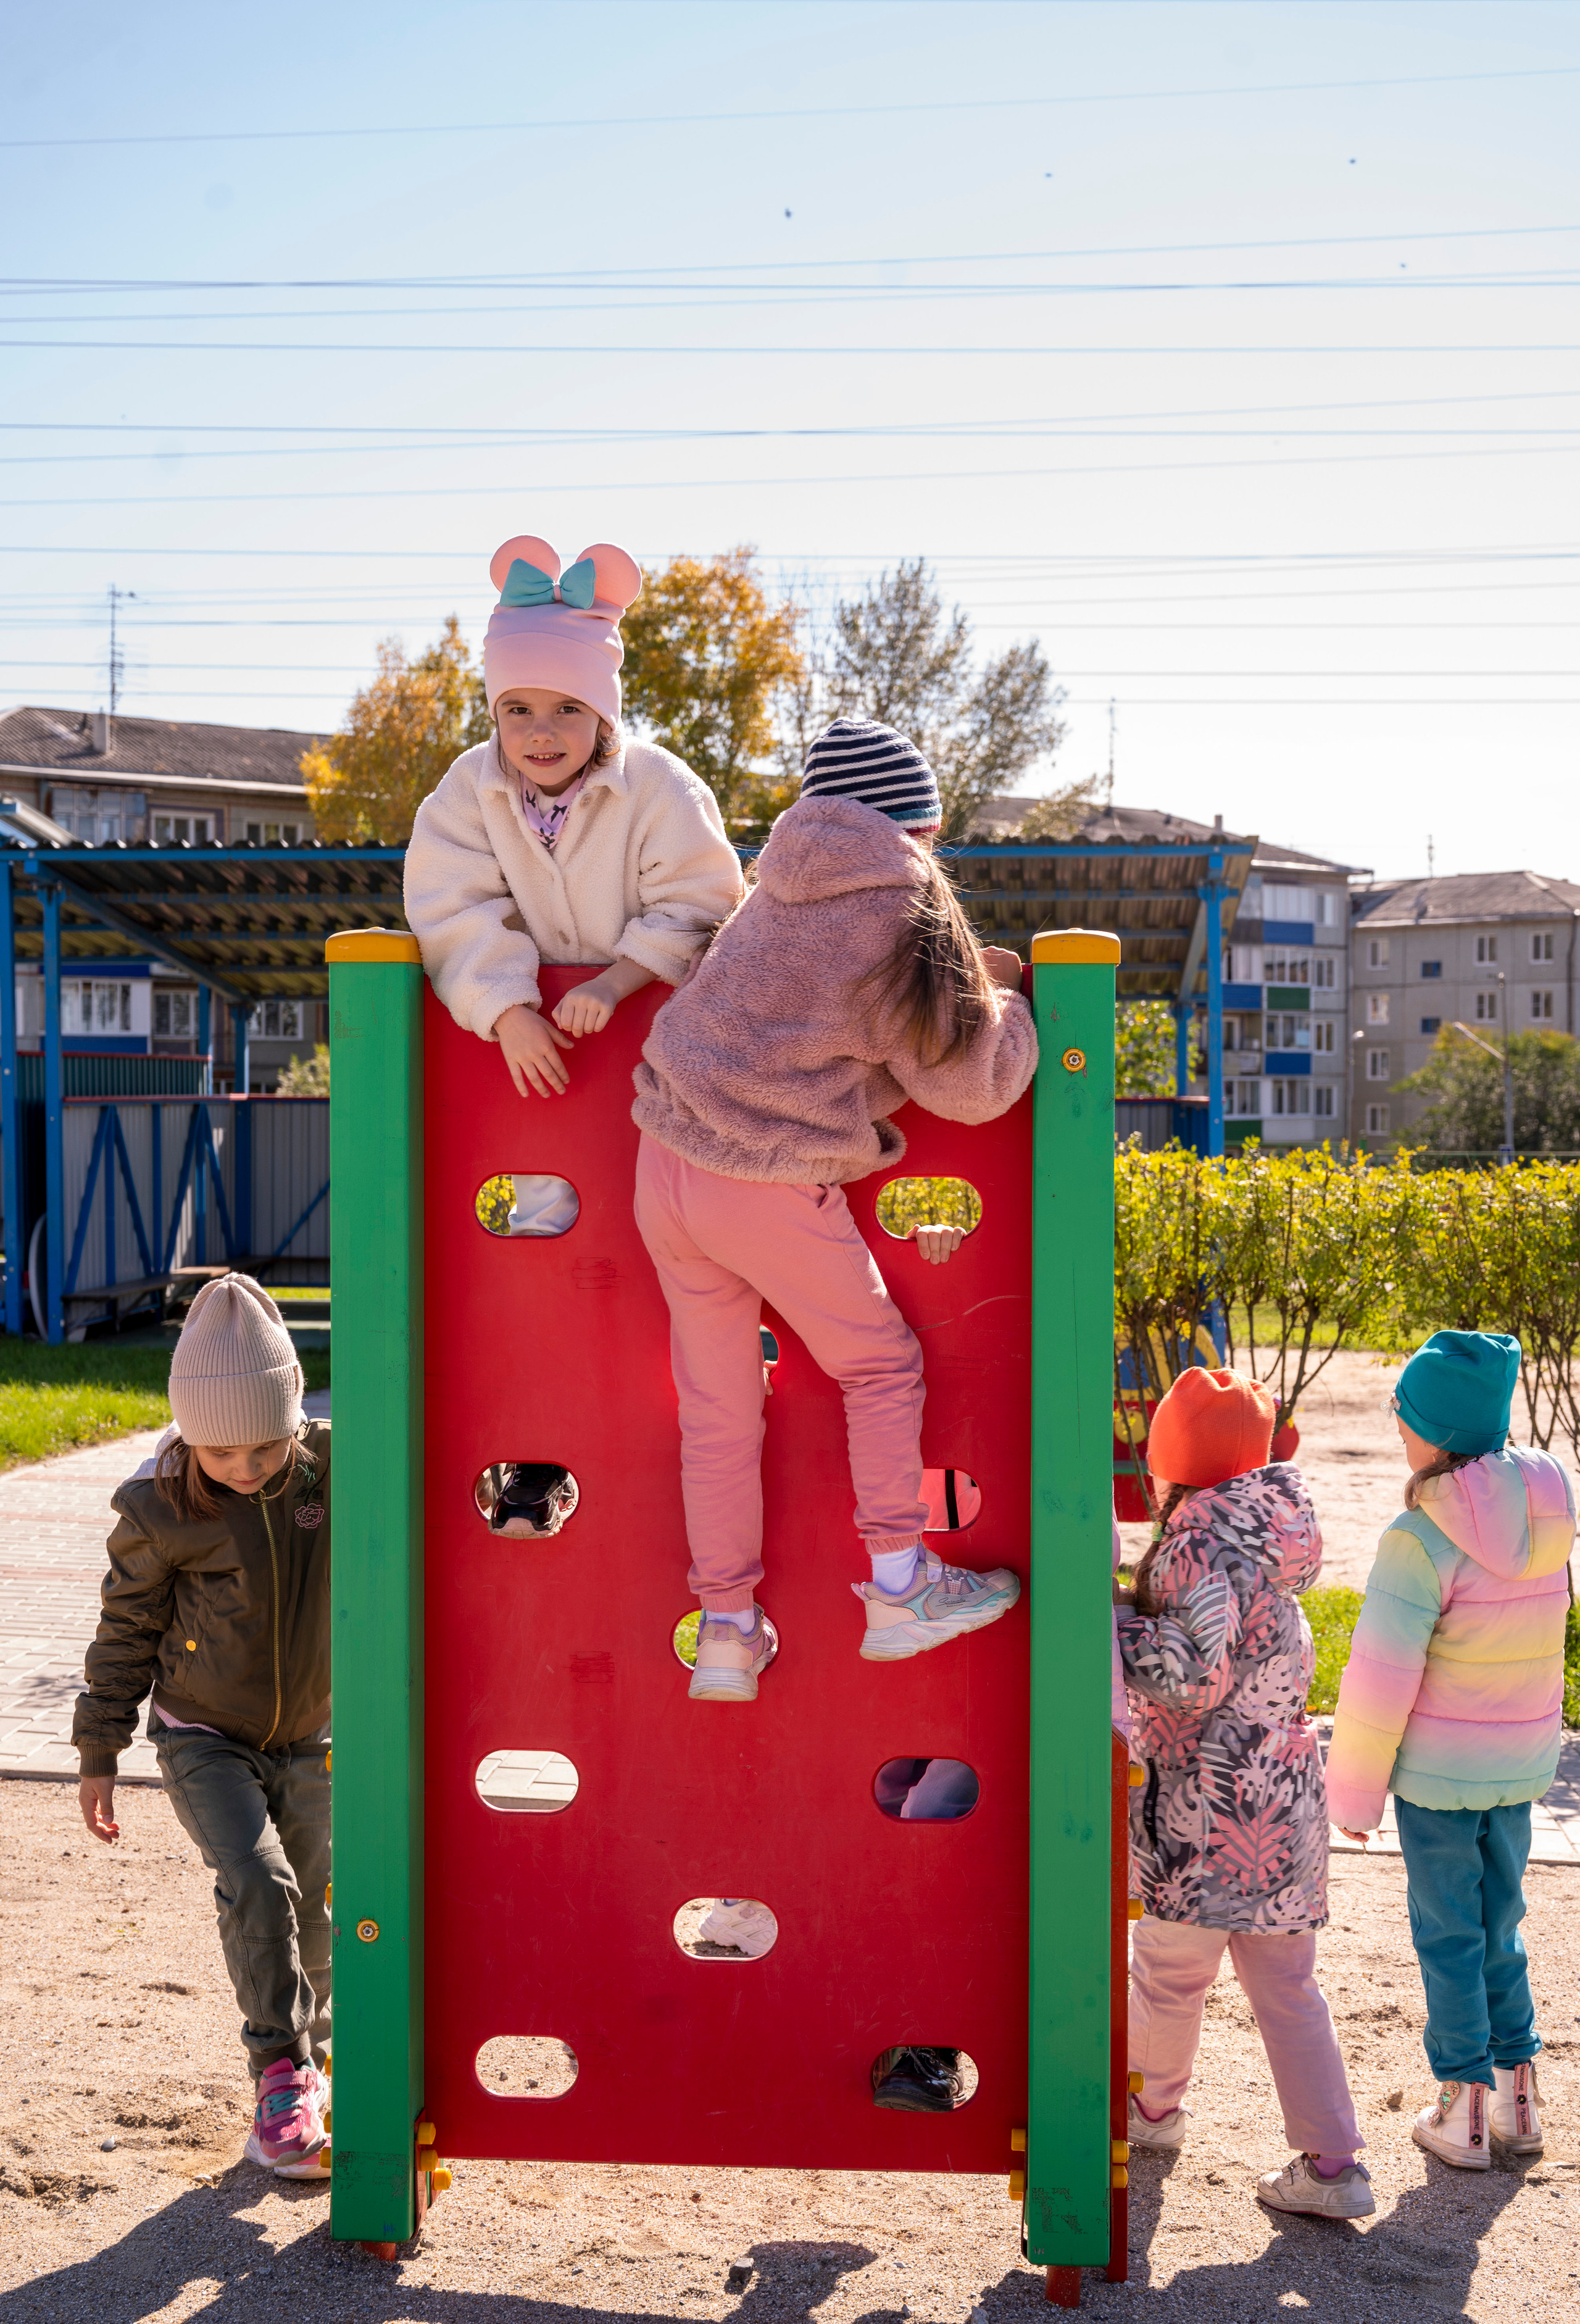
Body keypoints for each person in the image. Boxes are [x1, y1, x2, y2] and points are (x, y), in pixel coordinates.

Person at [630, 718, 1035, 1699]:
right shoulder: (904, 907)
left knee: (720, 1413)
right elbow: (972, 1087)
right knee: (880, 1364)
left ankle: (725, 1629)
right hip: (764, 1178)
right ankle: (900, 1584)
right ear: (916, 827)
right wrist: (1009, 1002)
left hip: (665, 1163)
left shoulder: (769, 892)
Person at [72, 1275, 333, 2180]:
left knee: (319, 1902)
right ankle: (278, 2066)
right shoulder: (160, 1505)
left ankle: (316, 2052)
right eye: (222, 1449)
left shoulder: (331, 1469)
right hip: (201, 1734)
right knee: (260, 1880)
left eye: (269, 1443)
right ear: (188, 1430)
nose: (250, 1465)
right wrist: (99, 1745)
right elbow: (125, 1629)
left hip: (310, 1732)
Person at [1115, 1365, 1373, 2220]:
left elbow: (1191, 1675)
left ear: (1170, 1459)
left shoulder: (1195, 1540)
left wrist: (1113, 1621)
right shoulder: (1272, 1531)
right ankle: (1335, 2163)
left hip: (1208, 1805)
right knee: (1289, 1985)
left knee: (1169, 1969)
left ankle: (1150, 2108)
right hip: (1284, 1799)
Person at [1326, 1329, 1576, 2168]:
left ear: (1437, 1431)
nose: (1399, 1429)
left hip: (1437, 1779)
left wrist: (1353, 1795)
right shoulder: (1547, 1527)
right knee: (1501, 1925)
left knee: (1449, 1934)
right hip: (1517, 1769)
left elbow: (1377, 1681)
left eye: (1407, 1417)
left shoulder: (1418, 1538)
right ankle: (1520, 2100)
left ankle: (1462, 2105)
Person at [404, 534, 744, 1100]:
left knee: (645, 1178)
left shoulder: (659, 785)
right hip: (532, 1050)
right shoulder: (467, 791)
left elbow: (701, 900)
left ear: (603, 714)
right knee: (543, 1177)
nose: (542, 731)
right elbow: (449, 908)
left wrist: (613, 984)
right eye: (518, 709)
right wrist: (507, 1013)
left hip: (656, 1042)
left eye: (568, 708)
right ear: (494, 712)